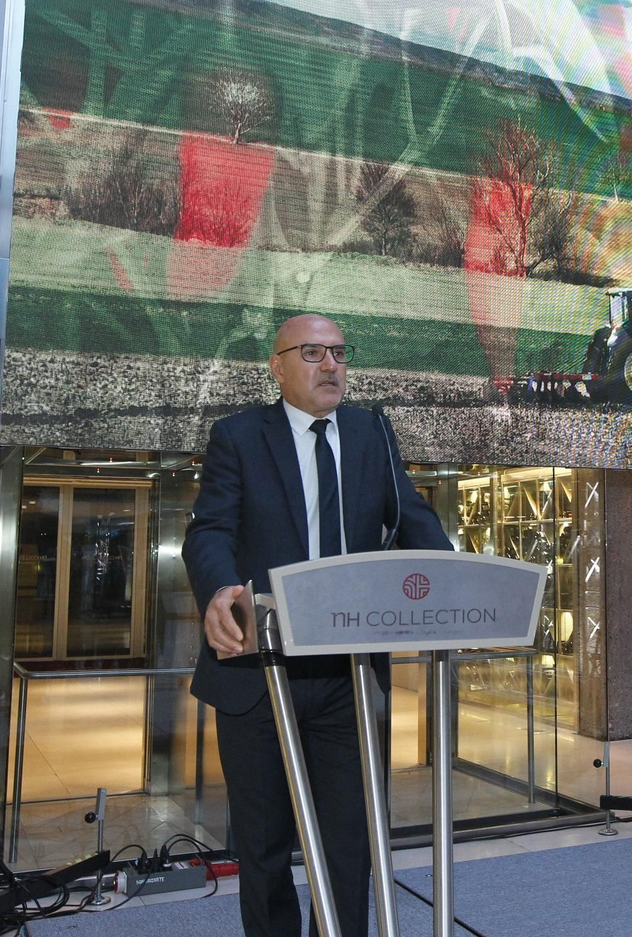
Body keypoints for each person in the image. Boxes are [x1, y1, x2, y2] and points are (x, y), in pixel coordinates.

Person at [183, 313, 452, 937]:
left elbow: (409, 514)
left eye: (338, 352)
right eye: (312, 352)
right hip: (260, 674)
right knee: (266, 846)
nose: (331, 364)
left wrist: (450, 574)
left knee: (350, 843)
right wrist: (221, 590)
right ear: (277, 368)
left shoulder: (370, 432)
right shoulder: (239, 436)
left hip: (348, 677)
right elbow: (211, 530)